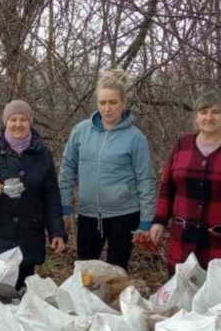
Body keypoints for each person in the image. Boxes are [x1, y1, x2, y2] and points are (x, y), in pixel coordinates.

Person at [149, 90, 221, 271]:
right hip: (183, 237)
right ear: (196, 117)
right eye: (203, 112)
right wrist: (159, 221)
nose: (209, 117)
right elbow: (167, 188)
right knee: (181, 288)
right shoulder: (182, 145)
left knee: (220, 290)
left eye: (216, 112)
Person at [59, 69, 156, 271]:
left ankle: (114, 303)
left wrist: (146, 220)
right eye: (102, 103)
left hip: (124, 215)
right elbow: (67, 169)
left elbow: (145, 180)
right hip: (88, 214)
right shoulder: (81, 131)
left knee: (116, 272)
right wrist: (64, 205)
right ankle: (85, 303)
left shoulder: (135, 138)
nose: (107, 108)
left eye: (113, 102)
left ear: (123, 103)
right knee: (85, 271)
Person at [0, 100, 67, 286]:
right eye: (13, 119)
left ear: (30, 122)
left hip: (28, 235)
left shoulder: (42, 153)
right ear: (6, 122)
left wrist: (57, 232)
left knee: (22, 293)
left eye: (23, 119)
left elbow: (51, 195)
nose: (18, 124)